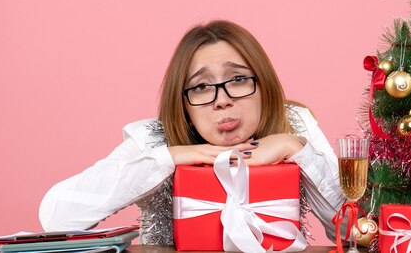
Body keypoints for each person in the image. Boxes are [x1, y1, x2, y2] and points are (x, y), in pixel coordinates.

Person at [39, 20, 344, 244]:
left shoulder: (295, 125)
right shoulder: (152, 139)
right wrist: (170, 158)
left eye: (237, 79)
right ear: (183, 103)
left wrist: (297, 148)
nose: (222, 100)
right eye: (200, 87)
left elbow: (356, 233)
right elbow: (56, 216)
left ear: (263, 84)